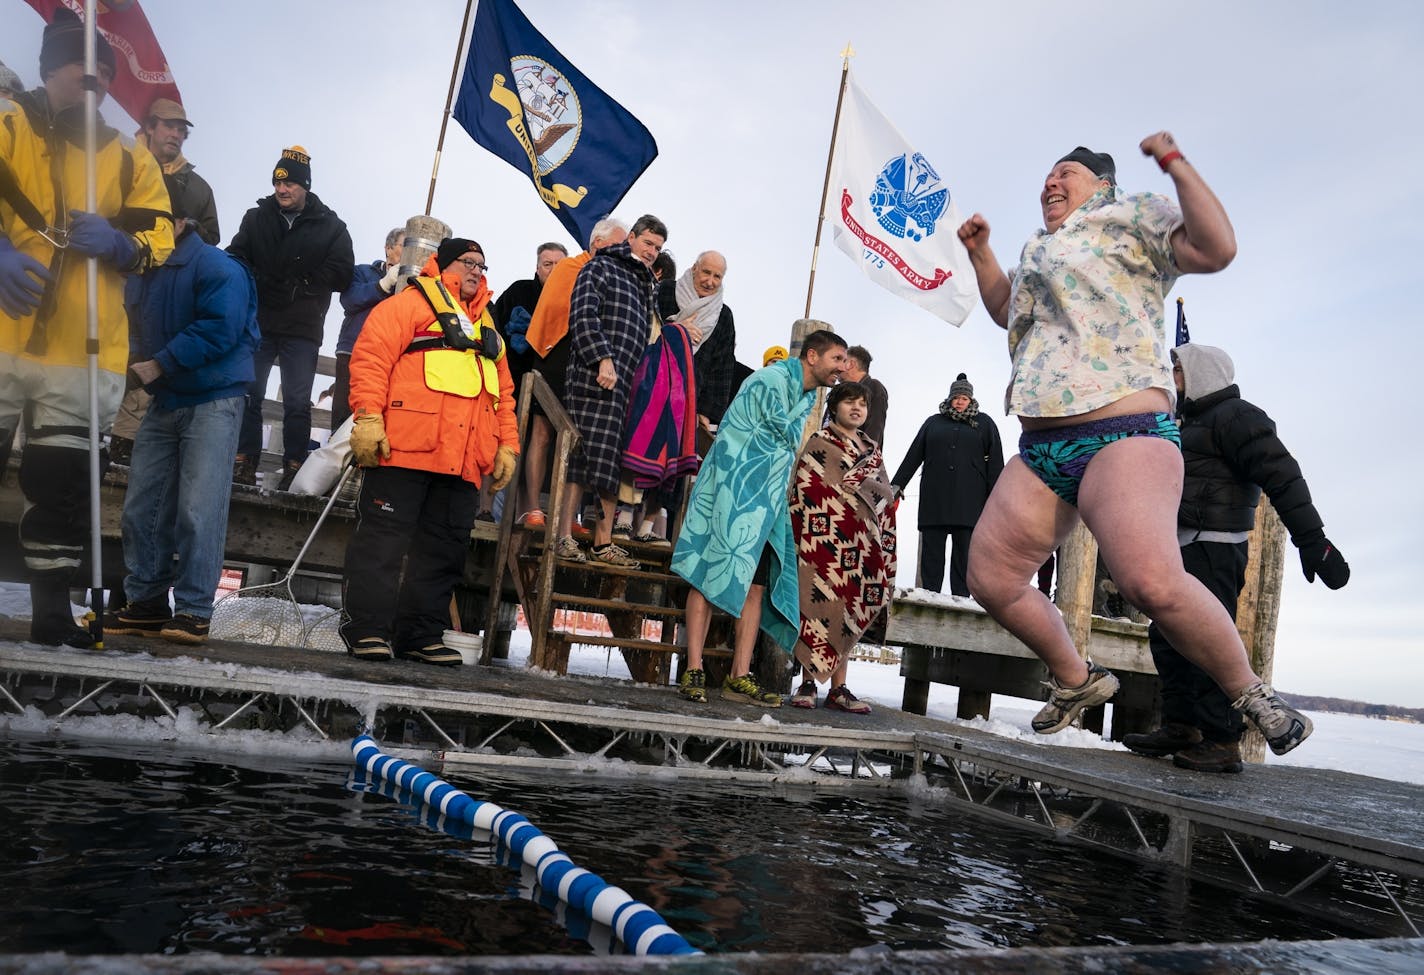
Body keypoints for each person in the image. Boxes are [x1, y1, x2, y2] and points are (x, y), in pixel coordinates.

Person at [957, 135, 1314, 756]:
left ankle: (1252, 693)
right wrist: (982, 252)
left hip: (1124, 432)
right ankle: (1077, 679)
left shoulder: (1130, 219)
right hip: (1044, 444)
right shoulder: (1040, 248)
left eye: (1065, 173)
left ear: (1102, 185)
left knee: (1149, 579)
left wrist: (1174, 163)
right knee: (991, 578)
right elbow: (1003, 309)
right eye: (1046, 175)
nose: (1051, 182)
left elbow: (1217, 248)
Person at [0, 9, 174, 647]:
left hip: (83, 350)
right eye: (81, 65)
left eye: (101, 68)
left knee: (63, 494)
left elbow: (159, 232)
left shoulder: (130, 157)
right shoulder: (7, 123)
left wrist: (124, 245)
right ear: (49, 71)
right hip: (2, 334)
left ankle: (51, 616)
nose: (94, 77)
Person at [1124, 343, 1350, 772]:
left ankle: (1223, 740)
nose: (1171, 376)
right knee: (1168, 637)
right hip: (1178, 545)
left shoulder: (1238, 417)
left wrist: (1312, 540)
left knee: (1208, 637)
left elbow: (1283, 476)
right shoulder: (1183, 421)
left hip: (1216, 544)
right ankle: (1182, 726)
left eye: (1177, 368)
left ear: (1200, 372)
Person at [339, 238, 518, 666]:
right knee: (382, 545)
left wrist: (507, 445)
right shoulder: (410, 304)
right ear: (443, 263)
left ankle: (420, 636)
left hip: (462, 463)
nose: (477, 270)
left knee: (443, 553)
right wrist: (367, 417)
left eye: (482, 264)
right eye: (468, 262)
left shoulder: (488, 327)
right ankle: (367, 631)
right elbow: (371, 359)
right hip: (404, 450)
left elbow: (504, 396)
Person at [671, 327, 849, 707]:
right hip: (731, 490)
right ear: (813, 356)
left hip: (766, 501)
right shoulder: (767, 382)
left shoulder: (803, 398)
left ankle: (738, 676)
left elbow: (782, 451)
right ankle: (694, 669)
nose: (842, 369)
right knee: (705, 574)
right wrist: (739, 496)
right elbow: (739, 435)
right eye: (837, 359)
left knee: (756, 586)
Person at [105, 220, 259, 645]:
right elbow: (132, 325)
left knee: (199, 507)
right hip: (166, 396)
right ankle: (147, 603)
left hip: (214, 397)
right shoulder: (144, 269)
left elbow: (221, 327)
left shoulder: (218, 267)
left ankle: (193, 610)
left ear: (182, 222)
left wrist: (158, 364)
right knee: (142, 502)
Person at [228, 146, 354, 491]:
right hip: (260, 322)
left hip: (302, 325)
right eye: (277, 183)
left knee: (298, 402)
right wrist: (253, 281)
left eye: (290, 184)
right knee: (249, 391)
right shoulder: (256, 218)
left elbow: (342, 273)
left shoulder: (331, 226)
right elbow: (236, 256)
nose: (282, 190)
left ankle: (294, 467)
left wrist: (305, 286)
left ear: (305, 186)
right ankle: (244, 460)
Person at [110, 97, 222, 466]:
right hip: (113, 272)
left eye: (182, 130)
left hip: (166, 282)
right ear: (150, 126)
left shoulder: (198, 186)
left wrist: (187, 227)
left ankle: (123, 442)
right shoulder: (117, 159)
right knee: (106, 347)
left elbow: (213, 235)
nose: (176, 135)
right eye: (170, 126)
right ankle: (89, 429)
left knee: (146, 353)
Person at [555, 214, 668, 568]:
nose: (652, 252)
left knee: (611, 462)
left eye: (658, 247)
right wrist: (602, 358)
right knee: (580, 457)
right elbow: (583, 316)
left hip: (624, 386)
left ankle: (603, 543)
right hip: (593, 375)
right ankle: (563, 537)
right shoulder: (600, 267)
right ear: (631, 238)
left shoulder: (644, 284)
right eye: (648, 243)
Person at [787, 380, 897, 714]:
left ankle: (839, 689)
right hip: (821, 540)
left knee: (849, 608)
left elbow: (883, 498)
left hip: (858, 543)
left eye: (862, 403)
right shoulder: (820, 442)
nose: (857, 408)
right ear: (834, 406)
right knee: (817, 607)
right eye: (849, 401)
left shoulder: (870, 450)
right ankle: (806, 683)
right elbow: (804, 489)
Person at [522, 218, 626, 530]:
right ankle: (532, 509)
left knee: (578, 441)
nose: (623, 252)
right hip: (555, 355)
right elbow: (557, 310)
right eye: (617, 245)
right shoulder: (571, 267)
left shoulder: (615, 275)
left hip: (586, 363)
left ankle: (568, 516)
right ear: (597, 243)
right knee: (542, 433)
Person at [890, 373, 1004, 598]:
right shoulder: (934, 422)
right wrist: (897, 485)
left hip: (970, 502)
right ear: (950, 399)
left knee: (965, 553)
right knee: (932, 552)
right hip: (935, 498)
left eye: (964, 397)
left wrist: (996, 498)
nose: (960, 401)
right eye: (956, 397)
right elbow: (914, 455)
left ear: (971, 400)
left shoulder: (985, 424)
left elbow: (996, 464)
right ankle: (929, 595)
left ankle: (960, 598)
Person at [656, 250, 736, 434]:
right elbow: (647, 329)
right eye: (706, 272)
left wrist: (706, 410)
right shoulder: (666, 290)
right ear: (694, 269)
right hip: (652, 383)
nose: (710, 281)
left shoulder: (723, 316)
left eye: (717, 276)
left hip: (689, 401)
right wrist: (675, 329)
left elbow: (723, 367)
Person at [332, 227, 404, 431]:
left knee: (380, 413)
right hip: (352, 350)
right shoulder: (362, 272)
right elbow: (349, 299)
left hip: (389, 356)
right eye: (403, 245)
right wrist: (383, 284)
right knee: (344, 411)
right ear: (388, 248)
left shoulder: (412, 284)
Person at [839, 345, 889, 447]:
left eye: (842, 360)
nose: (838, 366)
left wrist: (866, 458)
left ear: (850, 364)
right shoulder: (839, 393)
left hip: (856, 459)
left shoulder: (874, 388)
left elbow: (874, 429)